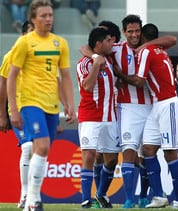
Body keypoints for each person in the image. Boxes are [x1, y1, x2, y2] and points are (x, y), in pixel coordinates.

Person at [80, 14, 177, 209]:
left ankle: (146, 196)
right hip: (127, 107)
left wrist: (142, 47)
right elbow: (85, 47)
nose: (134, 35)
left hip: (151, 106)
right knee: (128, 151)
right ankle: (128, 199)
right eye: (130, 31)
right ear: (124, 33)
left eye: (137, 31)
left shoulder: (150, 47)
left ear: (141, 32)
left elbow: (172, 40)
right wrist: (95, 57)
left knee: (147, 152)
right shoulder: (116, 49)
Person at [7, 1, 76, 210]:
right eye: (44, 16)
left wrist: (70, 104)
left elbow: (65, 76)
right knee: (42, 145)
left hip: (51, 105)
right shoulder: (24, 43)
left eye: (51, 15)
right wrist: (14, 110)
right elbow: (11, 77)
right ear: (33, 19)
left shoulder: (60, 43)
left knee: (41, 150)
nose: (49, 19)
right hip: (30, 102)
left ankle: (29, 199)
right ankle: (34, 199)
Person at [113, 23, 178, 209]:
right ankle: (159, 196)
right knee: (147, 150)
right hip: (157, 106)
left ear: (144, 38)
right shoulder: (160, 50)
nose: (135, 36)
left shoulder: (147, 51)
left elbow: (139, 81)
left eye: (138, 33)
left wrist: (120, 75)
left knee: (170, 152)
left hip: (168, 104)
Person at [76, 27, 119, 209]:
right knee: (89, 155)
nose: (112, 44)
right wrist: (95, 63)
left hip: (110, 117)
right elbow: (87, 86)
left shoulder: (109, 59)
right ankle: (86, 199)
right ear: (99, 44)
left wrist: (98, 58)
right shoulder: (83, 64)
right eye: (109, 40)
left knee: (112, 159)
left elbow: (84, 46)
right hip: (90, 116)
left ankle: (100, 194)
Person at [0, 20, 33, 209]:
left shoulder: (42, 58)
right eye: (30, 31)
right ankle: (25, 193)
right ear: (22, 35)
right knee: (27, 147)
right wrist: (3, 115)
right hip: (17, 111)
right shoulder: (11, 56)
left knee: (38, 153)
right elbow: (2, 85)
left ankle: (31, 194)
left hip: (38, 111)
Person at [92, 20, 120, 197]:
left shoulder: (116, 51)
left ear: (113, 39)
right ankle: (100, 197)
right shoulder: (95, 57)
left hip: (120, 110)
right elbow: (84, 48)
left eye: (105, 35)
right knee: (98, 156)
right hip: (99, 113)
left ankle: (100, 195)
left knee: (112, 159)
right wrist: (95, 57)